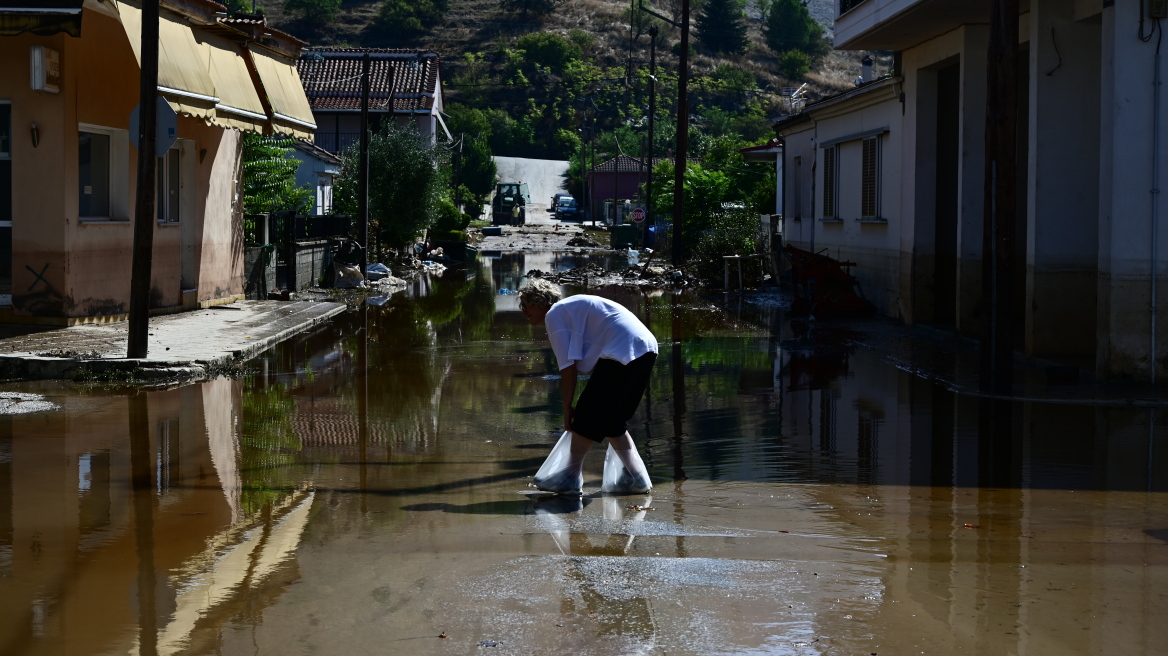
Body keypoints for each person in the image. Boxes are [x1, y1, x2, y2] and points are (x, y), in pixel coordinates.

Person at [519, 279, 657, 495]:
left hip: (624, 350)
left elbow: (567, 367)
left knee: (585, 417)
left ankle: (569, 478)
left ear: (538, 303)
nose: (524, 313)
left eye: (526, 306)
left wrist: (567, 408)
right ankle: (636, 478)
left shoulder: (555, 314)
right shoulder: (570, 309)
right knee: (612, 421)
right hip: (645, 349)